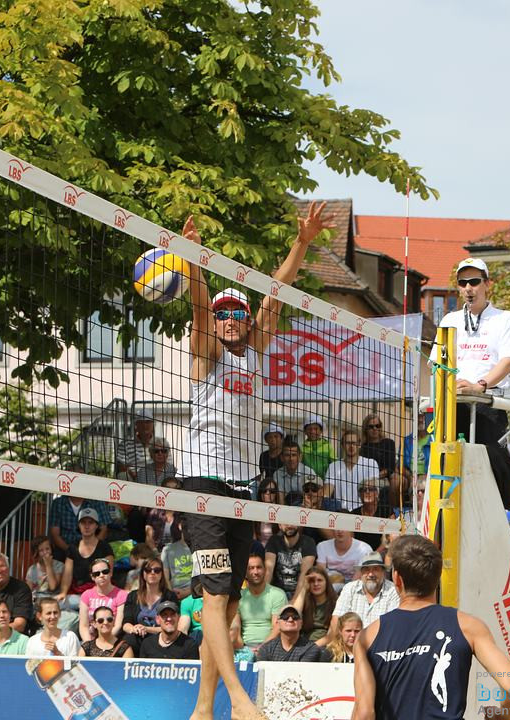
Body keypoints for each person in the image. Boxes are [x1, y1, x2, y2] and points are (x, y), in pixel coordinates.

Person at [183, 205, 325, 720]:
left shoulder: (255, 351)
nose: (226, 320)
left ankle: (202, 710)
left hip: (244, 489)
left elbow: (276, 293)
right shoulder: (205, 351)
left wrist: (303, 242)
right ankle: (239, 701)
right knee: (217, 599)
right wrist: (194, 262)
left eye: (234, 313)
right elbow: (199, 307)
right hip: (201, 485)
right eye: (221, 313)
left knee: (224, 601)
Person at [351, 535, 510, 720]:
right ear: (438, 576)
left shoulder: (367, 636)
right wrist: (501, 718)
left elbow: (364, 713)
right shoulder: (468, 626)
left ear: (396, 578)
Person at [434, 257, 510, 508]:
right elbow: (436, 363)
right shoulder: (449, 320)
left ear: (487, 284)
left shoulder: (504, 318)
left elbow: (508, 361)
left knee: (488, 453)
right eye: (463, 283)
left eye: (474, 282)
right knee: (451, 459)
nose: (468, 288)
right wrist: (451, 385)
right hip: (453, 400)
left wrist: (480, 385)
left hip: (487, 399)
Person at [58, 507, 114, 609]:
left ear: (97, 526)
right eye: (83, 523)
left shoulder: (105, 548)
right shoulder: (73, 547)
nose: (87, 526)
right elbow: (67, 575)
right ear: (79, 525)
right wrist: (63, 593)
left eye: (90, 523)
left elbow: (108, 575)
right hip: (76, 594)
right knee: (56, 604)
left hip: (99, 594)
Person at [332, 552, 399, 632]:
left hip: (380, 642)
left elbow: (392, 625)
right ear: (361, 573)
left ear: (383, 572)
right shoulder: (350, 588)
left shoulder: (393, 591)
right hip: (351, 642)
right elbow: (337, 620)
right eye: (366, 569)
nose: (370, 574)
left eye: (375, 569)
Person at [121, 557, 178, 649]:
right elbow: (126, 623)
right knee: (129, 640)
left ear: (162, 574)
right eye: (148, 570)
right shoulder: (133, 596)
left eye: (157, 570)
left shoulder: (170, 596)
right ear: (143, 573)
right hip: (138, 638)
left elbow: (173, 626)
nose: (152, 573)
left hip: (162, 639)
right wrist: (134, 629)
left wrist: (147, 629)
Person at [235, 554, 287, 653]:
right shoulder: (238, 597)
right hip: (244, 647)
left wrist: (262, 648)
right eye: (251, 568)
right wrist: (244, 650)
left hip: (271, 647)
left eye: (259, 567)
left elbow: (277, 628)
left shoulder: (277, 594)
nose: (255, 572)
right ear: (245, 573)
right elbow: (235, 629)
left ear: (265, 570)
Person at [324, 430, 382, 511]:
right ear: (342, 445)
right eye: (348, 443)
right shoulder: (333, 466)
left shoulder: (371, 463)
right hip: (341, 512)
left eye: (354, 443)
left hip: (363, 511)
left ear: (359, 445)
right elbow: (326, 493)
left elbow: (374, 492)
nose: (351, 446)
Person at [77, 558, 128, 643]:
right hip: (90, 640)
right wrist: (89, 645)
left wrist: (102, 643)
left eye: (105, 571)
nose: (101, 575)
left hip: (113, 640)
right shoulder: (86, 595)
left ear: (111, 573)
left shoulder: (122, 595)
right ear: (92, 577)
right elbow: (83, 626)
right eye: (97, 573)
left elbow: (118, 626)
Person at [256, 604, 329, 662]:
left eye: (295, 617)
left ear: (301, 623)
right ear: (277, 623)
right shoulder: (266, 649)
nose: (290, 619)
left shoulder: (311, 648)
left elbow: (302, 674)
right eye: (285, 617)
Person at [48, 494, 109, 560]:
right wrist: (71, 552)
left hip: (92, 548)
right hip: (64, 549)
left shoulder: (97, 501)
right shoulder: (58, 503)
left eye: (90, 522)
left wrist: (91, 549)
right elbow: (55, 534)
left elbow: (104, 529)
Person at [265, 522, 316, 600]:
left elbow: (304, 575)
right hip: (277, 592)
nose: (289, 525)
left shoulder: (308, 542)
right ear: (280, 526)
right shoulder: (274, 540)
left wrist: (294, 602)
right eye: (285, 522)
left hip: (300, 592)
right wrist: (264, 597)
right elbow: (268, 571)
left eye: (292, 521)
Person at [294, 565, 337, 645]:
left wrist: (311, 649)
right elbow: (294, 615)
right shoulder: (303, 601)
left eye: (320, 580)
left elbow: (332, 635)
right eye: (311, 581)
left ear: (326, 582)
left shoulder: (335, 603)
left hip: (325, 645)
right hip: (302, 643)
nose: (316, 584)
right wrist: (304, 588)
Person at [146, 477, 184, 552]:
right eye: (168, 489)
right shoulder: (154, 513)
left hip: (177, 554)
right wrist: (156, 554)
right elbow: (148, 539)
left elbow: (184, 541)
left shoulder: (183, 513)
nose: (172, 492)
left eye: (176, 489)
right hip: (157, 553)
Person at [161, 513, 193, 599]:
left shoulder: (200, 548)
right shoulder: (167, 550)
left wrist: (188, 592)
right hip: (174, 594)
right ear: (180, 526)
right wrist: (172, 595)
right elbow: (165, 578)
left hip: (196, 594)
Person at [26, 535, 64, 605]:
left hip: (55, 599)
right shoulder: (32, 569)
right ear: (36, 553)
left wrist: (48, 565)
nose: (45, 552)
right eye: (41, 550)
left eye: (47, 549)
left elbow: (52, 587)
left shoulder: (59, 565)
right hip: (38, 599)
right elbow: (28, 591)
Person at [359, 413, 397, 484]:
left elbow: (390, 467)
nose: (375, 429)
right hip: (367, 479)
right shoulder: (363, 447)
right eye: (371, 427)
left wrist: (376, 477)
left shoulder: (389, 443)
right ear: (365, 429)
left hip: (386, 478)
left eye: (377, 426)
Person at [117, 413, 155, 481]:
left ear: (153, 425)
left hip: (156, 476)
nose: (144, 425)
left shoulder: (160, 443)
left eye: (147, 422)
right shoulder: (125, 444)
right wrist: (135, 474)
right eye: (141, 422)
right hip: (134, 478)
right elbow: (121, 466)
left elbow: (168, 464)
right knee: (122, 475)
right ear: (136, 425)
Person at [301, 415, 336, 480]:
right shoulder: (301, 448)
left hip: (325, 483)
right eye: (309, 429)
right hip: (307, 483)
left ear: (321, 431)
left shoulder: (328, 447)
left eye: (316, 429)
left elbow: (334, 466)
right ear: (305, 431)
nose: (312, 431)